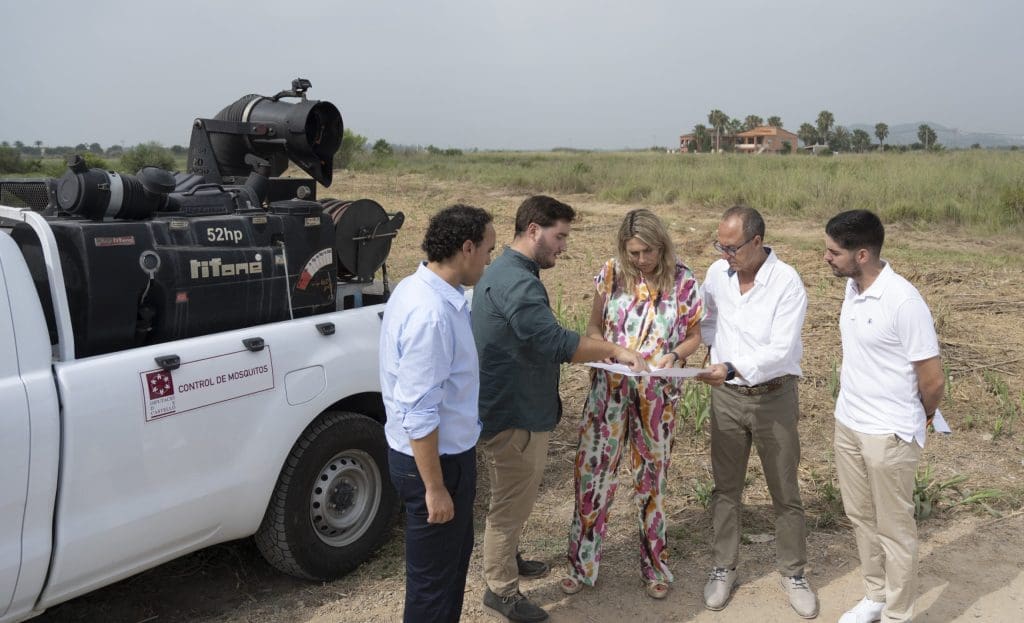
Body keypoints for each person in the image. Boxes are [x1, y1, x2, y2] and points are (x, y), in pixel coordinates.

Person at [472, 195, 647, 623]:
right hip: (514, 414)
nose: (564, 247)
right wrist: (614, 350)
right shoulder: (518, 281)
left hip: (511, 405)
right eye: (560, 236)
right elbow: (554, 342)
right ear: (534, 230)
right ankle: (501, 590)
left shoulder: (509, 271)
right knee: (509, 504)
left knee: (513, 497)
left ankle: (508, 560)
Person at [563, 209, 704, 600]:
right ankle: (581, 565)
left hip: (658, 396)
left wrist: (675, 355)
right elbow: (593, 327)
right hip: (608, 391)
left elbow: (694, 336)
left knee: (652, 481)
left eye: (648, 251)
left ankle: (655, 566)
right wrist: (610, 352)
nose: (641, 259)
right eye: (634, 252)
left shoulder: (684, 280)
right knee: (592, 475)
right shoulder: (612, 273)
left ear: (662, 245)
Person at [696, 205, 818, 619]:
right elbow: (707, 319)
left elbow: (781, 350)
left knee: (784, 489)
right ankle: (723, 567)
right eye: (720, 246)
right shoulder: (717, 274)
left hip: (773, 398)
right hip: (727, 398)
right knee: (726, 488)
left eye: (731, 247)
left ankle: (794, 573)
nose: (724, 254)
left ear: (757, 241)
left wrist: (731, 366)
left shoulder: (786, 282)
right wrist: (708, 353)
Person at [824, 210, 943, 623]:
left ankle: (897, 613)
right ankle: (875, 595)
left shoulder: (903, 301)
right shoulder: (853, 288)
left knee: (895, 528)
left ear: (861, 254)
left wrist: (923, 415)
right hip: (849, 423)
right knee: (860, 517)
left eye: (833, 252)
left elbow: (932, 379)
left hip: (888, 434)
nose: (826, 258)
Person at [379, 204, 495, 623]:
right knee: (433, 587)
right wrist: (435, 487)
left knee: (448, 570)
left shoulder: (417, 288)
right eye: (488, 250)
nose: (489, 260)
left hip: (437, 457)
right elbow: (419, 412)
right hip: (434, 463)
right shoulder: (431, 315)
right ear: (467, 248)